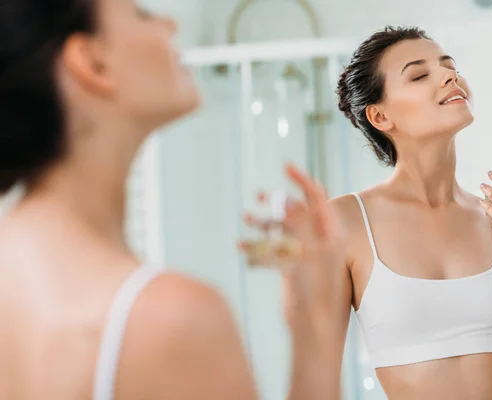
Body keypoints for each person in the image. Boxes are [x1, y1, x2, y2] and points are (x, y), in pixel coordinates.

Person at [0, 0, 345, 399]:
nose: (170, 25)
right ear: (94, 63)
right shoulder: (168, 320)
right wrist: (319, 323)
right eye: (142, 14)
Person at [328, 26, 492, 399]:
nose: (448, 76)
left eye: (449, 66)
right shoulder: (345, 221)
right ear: (380, 116)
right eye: (420, 75)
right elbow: (320, 377)